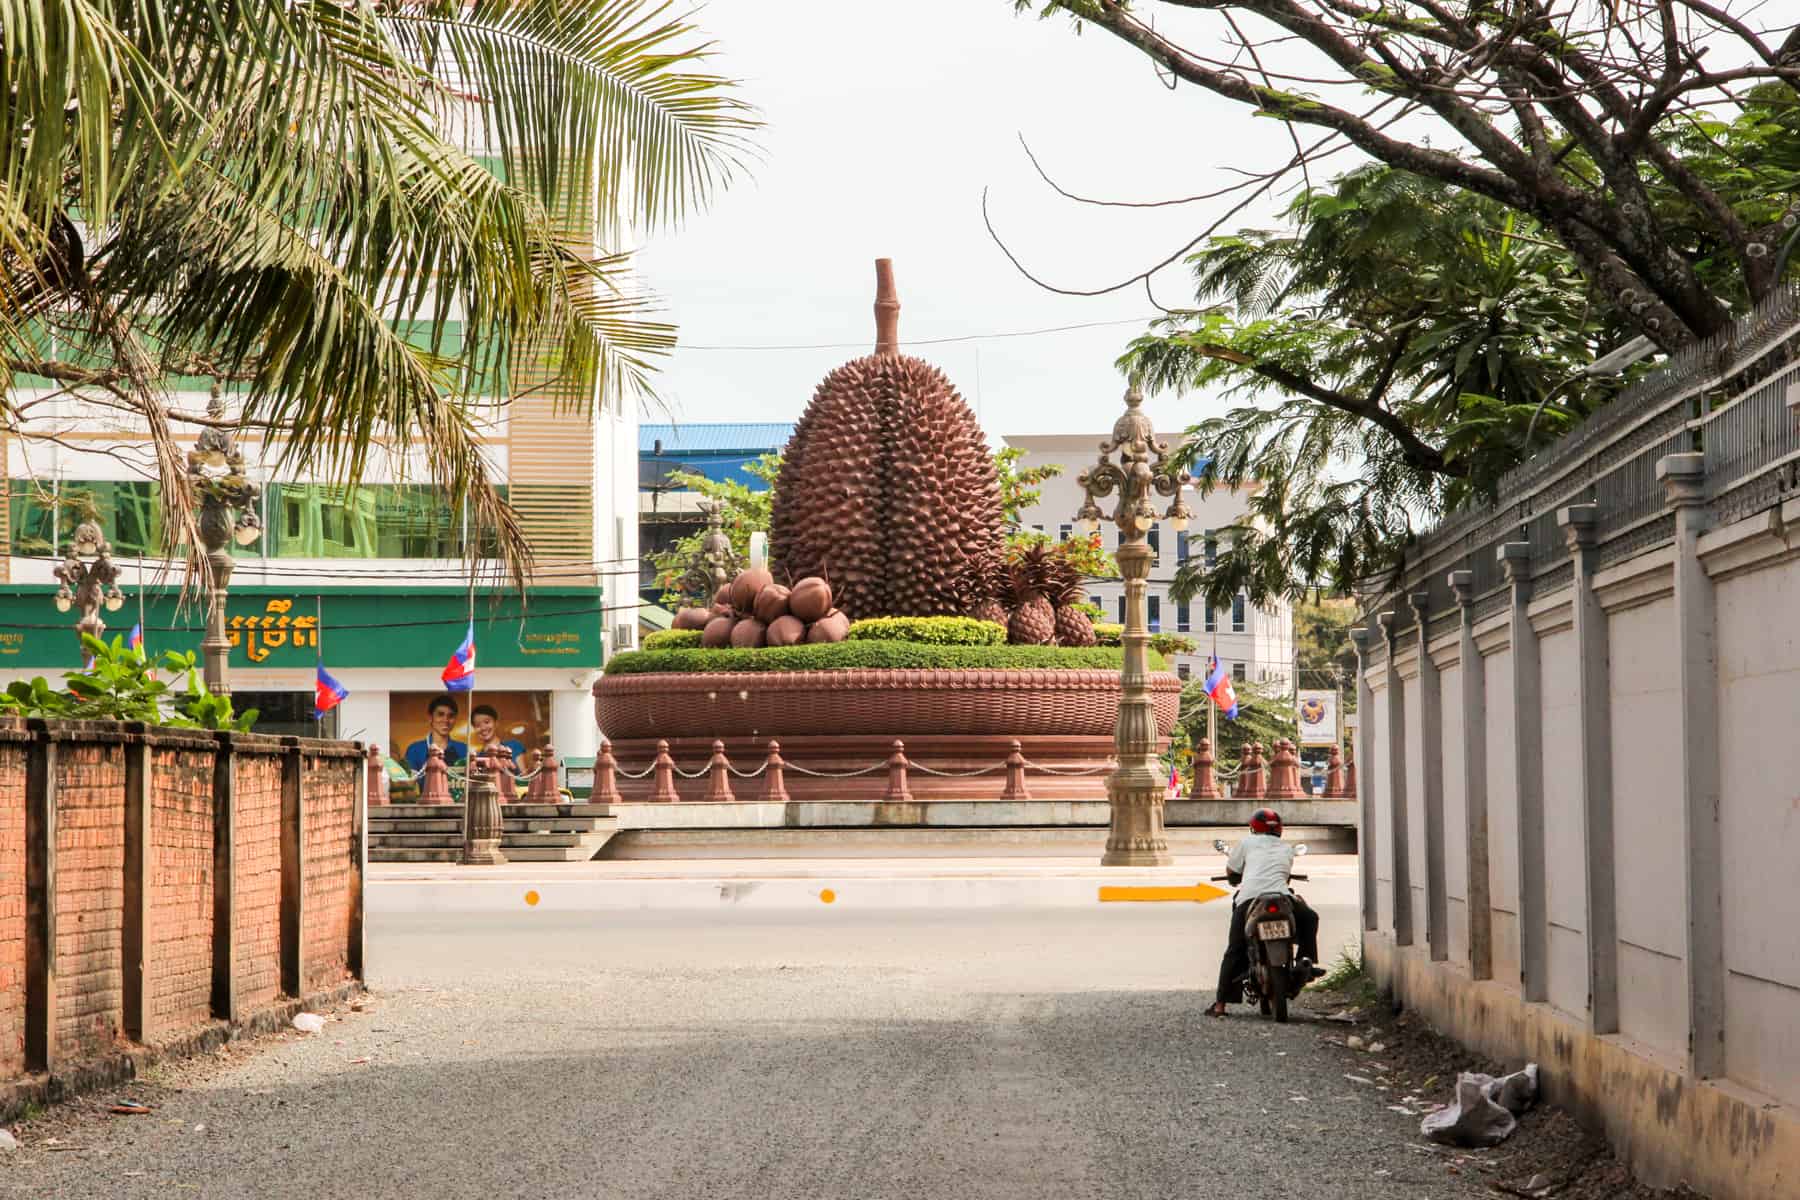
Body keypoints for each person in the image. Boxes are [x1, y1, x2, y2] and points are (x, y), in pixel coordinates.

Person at [1206, 807, 1322, 1017]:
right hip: (1282, 896)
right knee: (1310, 917)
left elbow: (1232, 872)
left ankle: (1220, 1005)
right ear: (1279, 829)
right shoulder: (1286, 848)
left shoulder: (1246, 843)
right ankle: (1306, 961)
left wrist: (1236, 878)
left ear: (1253, 828)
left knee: (1235, 948)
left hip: (1250, 899)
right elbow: (1284, 875)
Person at [403, 694, 469, 773]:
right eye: (440, 714)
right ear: (430, 718)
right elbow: (408, 783)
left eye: (450, 716)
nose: (446, 720)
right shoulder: (414, 750)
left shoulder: (464, 749)